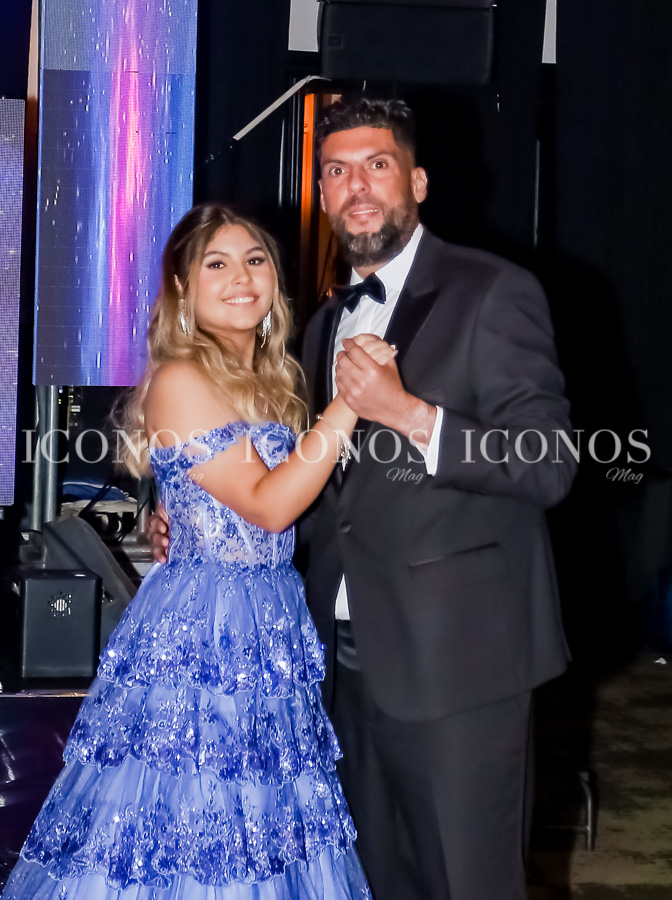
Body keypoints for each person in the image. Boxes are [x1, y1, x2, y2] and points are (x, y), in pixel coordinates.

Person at [150, 98, 577, 900]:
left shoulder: (493, 291)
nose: (358, 187)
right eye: (337, 171)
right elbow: (323, 492)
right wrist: (196, 509)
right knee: (370, 885)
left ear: (417, 182)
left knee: (468, 883)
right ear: (321, 193)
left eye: (378, 166)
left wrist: (409, 413)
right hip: (336, 667)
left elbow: (549, 462)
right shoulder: (319, 329)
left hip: (458, 665)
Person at [2, 204, 397, 899]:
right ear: (182, 288)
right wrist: (350, 404)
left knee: (259, 824)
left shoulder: (273, 381)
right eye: (217, 263)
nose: (242, 277)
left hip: (267, 618)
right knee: (190, 822)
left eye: (255, 260)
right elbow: (270, 505)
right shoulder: (183, 378)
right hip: (204, 629)